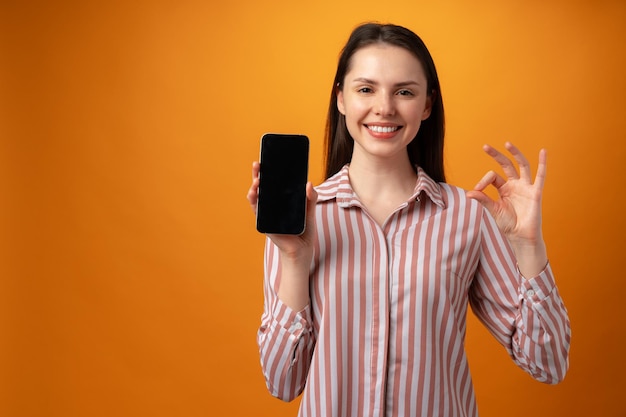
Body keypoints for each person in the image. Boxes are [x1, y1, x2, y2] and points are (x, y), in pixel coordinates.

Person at [247, 22, 570, 417]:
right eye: (366, 89)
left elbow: (549, 364)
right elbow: (283, 382)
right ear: (341, 99)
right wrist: (296, 260)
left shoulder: (468, 216)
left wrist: (529, 247)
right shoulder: (298, 219)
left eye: (404, 91)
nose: (384, 107)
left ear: (427, 104)